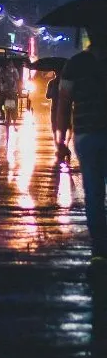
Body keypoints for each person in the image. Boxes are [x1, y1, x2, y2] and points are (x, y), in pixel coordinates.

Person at [57, 24, 107, 263]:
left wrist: (60, 141)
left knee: (94, 193)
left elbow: (64, 104)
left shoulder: (75, 64)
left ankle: (99, 249)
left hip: (86, 136)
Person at [46, 71, 72, 147]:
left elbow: (48, 95)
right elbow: (48, 95)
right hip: (64, 108)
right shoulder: (65, 83)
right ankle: (62, 144)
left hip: (59, 108)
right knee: (66, 126)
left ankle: (60, 144)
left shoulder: (52, 83)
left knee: (57, 126)